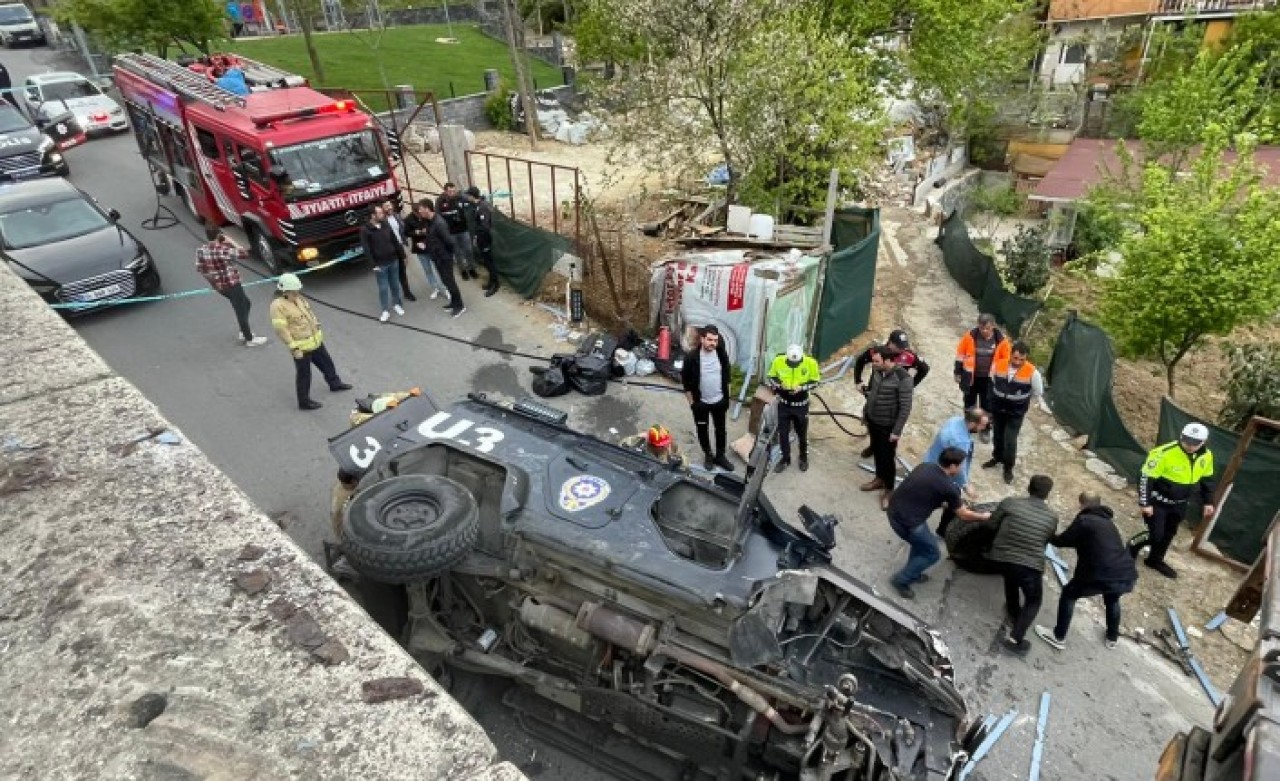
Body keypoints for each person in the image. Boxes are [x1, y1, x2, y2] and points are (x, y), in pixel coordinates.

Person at [1035, 493, 1138, 651]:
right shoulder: (1108, 522)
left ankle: (1058, 636)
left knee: (1069, 594)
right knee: (1112, 599)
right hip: (1123, 571)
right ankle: (1112, 638)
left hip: (1098, 573)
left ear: (1083, 505)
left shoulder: (1084, 521)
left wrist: (1046, 533)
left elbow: (1062, 541)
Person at [886, 449, 992, 599]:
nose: (962, 469)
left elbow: (923, 491)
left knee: (921, 545)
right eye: (961, 465)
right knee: (932, 554)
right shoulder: (949, 488)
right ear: (953, 466)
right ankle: (901, 580)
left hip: (894, 509)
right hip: (909, 524)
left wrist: (944, 503)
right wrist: (984, 516)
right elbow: (964, 515)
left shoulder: (925, 466)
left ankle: (913, 572)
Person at [986, 475, 1060, 655]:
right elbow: (1046, 540)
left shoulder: (1010, 502)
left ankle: (1013, 611)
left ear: (1029, 487)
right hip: (1029, 563)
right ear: (1047, 494)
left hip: (1001, 556)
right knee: (1034, 600)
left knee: (1010, 576)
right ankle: (1015, 640)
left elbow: (990, 526)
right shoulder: (1052, 517)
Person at [1136, 422, 1216, 579]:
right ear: (1181, 436)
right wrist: (1145, 503)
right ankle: (1131, 548)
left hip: (1180, 503)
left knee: (1169, 533)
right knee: (1156, 535)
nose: (1189, 446)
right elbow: (1146, 477)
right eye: (1186, 440)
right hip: (1158, 501)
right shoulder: (1163, 453)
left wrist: (1208, 502)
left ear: (1203, 442)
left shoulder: (1207, 456)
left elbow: (1208, 480)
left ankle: (1155, 560)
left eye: (1195, 443)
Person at [269, 273, 352, 410]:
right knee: (304, 375)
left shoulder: (298, 298)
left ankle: (335, 384)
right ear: (285, 292)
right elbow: (281, 330)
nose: (297, 294)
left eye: (297, 291)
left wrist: (315, 322)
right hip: (301, 348)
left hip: (315, 341)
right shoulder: (277, 306)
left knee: (327, 364)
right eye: (294, 292)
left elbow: (308, 313)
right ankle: (304, 401)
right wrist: (293, 348)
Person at [853, 329, 928, 457]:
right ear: (890, 343)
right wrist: (858, 381)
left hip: (894, 398)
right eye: (899, 347)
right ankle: (873, 446)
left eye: (904, 347)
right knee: (873, 422)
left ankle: (888, 451)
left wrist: (910, 385)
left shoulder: (909, 356)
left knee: (891, 427)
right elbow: (860, 360)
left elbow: (924, 368)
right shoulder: (877, 352)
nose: (902, 350)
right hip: (876, 392)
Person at [194, 225, 267, 347]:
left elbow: (200, 268)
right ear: (219, 235)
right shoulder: (222, 249)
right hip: (232, 284)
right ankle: (248, 338)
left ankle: (243, 331)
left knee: (246, 303)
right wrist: (231, 241)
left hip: (220, 286)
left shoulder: (201, 250)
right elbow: (244, 254)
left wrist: (213, 283)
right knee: (240, 310)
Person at [982, 341, 1043, 485]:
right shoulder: (998, 364)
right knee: (997, 435)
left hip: (1015, 412)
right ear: (1010, 354)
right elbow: (992, 381)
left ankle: (1008, 467)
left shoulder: (1033, 372)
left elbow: (1037, 392)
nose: (1018, 362)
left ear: (1026, 358)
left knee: (1010, 440)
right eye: (1015, 358)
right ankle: (997, 457)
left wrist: (1022, 402)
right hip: (998, 409)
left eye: (1022, 359)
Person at [861, 346, 914, 510]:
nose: (873, 364)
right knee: (876, 451)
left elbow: (905, 408)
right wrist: (866, 413)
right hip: (873, 420)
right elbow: (873, 394)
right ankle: (879, 479)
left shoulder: (903, 378)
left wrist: (896, 431)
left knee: (887, 458)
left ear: (888, 361)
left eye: (877, 361)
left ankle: (889, 490)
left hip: (888, 426)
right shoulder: (877, 371)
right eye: (873, 361)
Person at [924, 408, 990, 535]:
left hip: (931, 459)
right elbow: (960, 467)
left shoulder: (955, 420)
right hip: (942, 473)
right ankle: (943, 531)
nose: (983, 428)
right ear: (972, 423)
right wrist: (965, 485)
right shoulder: (960, 441)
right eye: (982, 425)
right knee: (953, 501)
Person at [680, 325, 734, 472]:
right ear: (702, 339)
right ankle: (708, 454)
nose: (713, 343)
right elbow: (685, 383)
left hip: (719, 401)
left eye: (715, 340)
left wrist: (726, 398)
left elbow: (727, 376)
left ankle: (721, 456)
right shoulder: (691, 357)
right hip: (701, 403)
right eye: (709, 340)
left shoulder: (721, 353)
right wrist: (693, 404)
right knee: (702, 429)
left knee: (721, 430)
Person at [766, 344, 821, 473]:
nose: (793, 365)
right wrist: (780, 384)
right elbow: (771, 377)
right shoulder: (779, 361)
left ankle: (803, 458)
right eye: (791, 363)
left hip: (801, 406)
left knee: (802, 434)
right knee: (783, 434)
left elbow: (816, 381)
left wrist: (801, 387)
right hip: (784, 405)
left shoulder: (810, 363)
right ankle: (785, 459)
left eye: (795, 363)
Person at [954, 314, 1010, 422]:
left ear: (993, 326)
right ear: (978, 325)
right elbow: (960, 355)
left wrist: (1003, 380)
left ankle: (985, 427)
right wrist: (957, 373)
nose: (984, 331)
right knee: (969, 402)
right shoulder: (969, 337)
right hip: (970, 377)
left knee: (987, 404)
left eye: (987, 328)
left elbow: (1006, 361)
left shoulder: (1002, 342)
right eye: (981, 328)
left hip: (989, 379)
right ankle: (969, 424)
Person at [416, 199, 466, 318]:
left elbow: (450, 242)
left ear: (427, 208)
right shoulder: (429, 221)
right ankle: (453, 303)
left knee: (450, 282)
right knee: (445, 281)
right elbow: (432, 238)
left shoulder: (439, 223)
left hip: (444, 258)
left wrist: (448, 255)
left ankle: (460, 306)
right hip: (437, 258)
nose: (419, 211)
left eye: (421, 209)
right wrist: (426, 245)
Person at [359, 208, 405, 323]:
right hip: (380, 264)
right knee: (383, 288)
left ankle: (397, 304)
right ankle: (385, 310)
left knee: (395, 284)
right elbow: (366, 249)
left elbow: (394, 240)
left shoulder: (386, 224)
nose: (382, 214)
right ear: (372, 216)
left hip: (393, 260)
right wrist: (373, 264)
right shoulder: (365, 230)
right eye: (379, 213)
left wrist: (402, 255)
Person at [403, 200, 450, 302]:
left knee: (439, 268)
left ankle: (445, 288)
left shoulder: (427, 217)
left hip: (431, 246)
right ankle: (435, 288)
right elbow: (406, 233)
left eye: (421, 212)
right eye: (418, 213)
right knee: (427, 270)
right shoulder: (408, 219)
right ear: (414, 213)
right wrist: (417, 232)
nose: (420, 215)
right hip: (419, 249)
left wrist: (426, 232)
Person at [464, 186, 499, 296]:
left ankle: (495, 284)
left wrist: (478, 238)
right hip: (481, 239)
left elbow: (485, 227)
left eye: (468, 195)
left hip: (484, 239)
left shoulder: (482, 207)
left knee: (489, 262)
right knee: (486, 262)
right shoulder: (478, 205)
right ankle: (491, 282)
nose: (467, 197)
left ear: (471, 196)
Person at [436, 182, 475, 280]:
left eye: (454, 191)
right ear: (445, 191)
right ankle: (462, 270)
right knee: (457, 253)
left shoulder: (460, 196)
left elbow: (469, 199)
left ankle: (471, 268)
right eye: (450, 192)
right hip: (451, 232)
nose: (452, 193)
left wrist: (473, 199)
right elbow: (437, 216)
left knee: (468, 250)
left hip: (463, 229)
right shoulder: (440, 201)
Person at [381, 200, 416, 302]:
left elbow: (402, 230)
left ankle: (407, 292)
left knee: (402, 271)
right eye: (386, 206)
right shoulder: (382, 222)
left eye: (390, 205)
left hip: (400, 247)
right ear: (382, 209)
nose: (390, 207)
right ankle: (395, 296)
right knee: (393, 273)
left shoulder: (396, 216)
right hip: (390, 249)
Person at [619, 425, 688, 469]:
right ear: (651, 445)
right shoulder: (638, 441)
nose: (666, 446)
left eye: (666, 443)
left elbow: (685, 463)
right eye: (662, 445)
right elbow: (621, 446)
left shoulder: (672, 446)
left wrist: (680, 462)